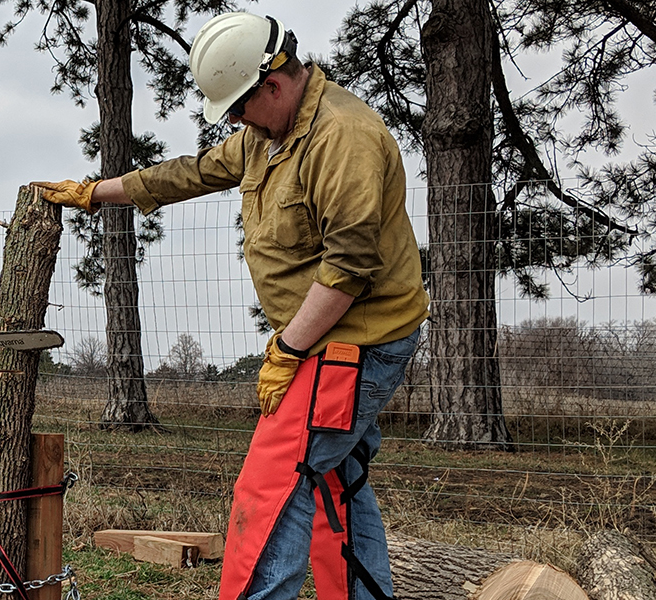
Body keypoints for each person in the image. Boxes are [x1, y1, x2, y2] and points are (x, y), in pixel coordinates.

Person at [34, 12, 426, 600]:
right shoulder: (267, 135)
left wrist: (287, 350)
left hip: (353, 342)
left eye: (239, 108)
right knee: (333, 483)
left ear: (272, 82)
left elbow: (347, 272)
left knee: (276, 490)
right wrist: (96, 192)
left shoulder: (344, 140)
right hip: (322, 339)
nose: (237, 122)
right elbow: (189, 174)